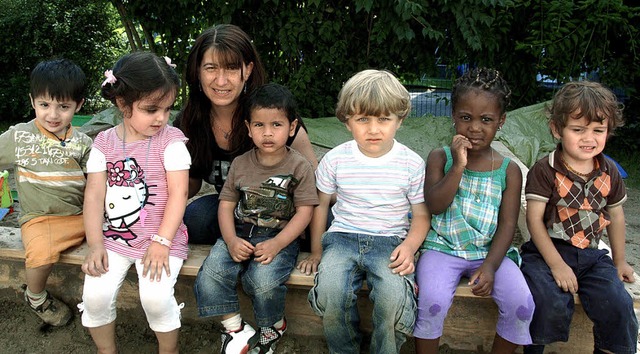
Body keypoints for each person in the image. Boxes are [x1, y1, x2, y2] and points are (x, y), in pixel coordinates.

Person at [306, 69, 429, 353]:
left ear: (399, 120)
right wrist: (316, 250)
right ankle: (345, 348)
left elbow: (421, 215)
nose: (373, 129)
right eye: (363, 119)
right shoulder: (335, 160)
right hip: (342, 238)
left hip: (391, 242)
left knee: (392, 298)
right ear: (347, 121)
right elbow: (320, 204)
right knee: (330, 292)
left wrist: (410, 247)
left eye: (384, 119)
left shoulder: (410, 163)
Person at [413, 68, 533, 354]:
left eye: (486, 120)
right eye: (466, 118)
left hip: (489, 252)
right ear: (453, 115)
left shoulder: (509, 170)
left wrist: (490, 266)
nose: (475, 128)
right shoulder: (440, 157)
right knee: (432, 302)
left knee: (522, 304)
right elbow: (435, 205)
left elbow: (507, 225)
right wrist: (458, 166)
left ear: (501, 121)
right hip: (442, 248)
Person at [194, 83, 319, 354]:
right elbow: (226, 205)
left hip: (279, 237)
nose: (268, 133)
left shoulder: (299, 166)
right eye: (259, 126)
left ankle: (273, 325)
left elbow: (305, 211)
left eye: (276, 125)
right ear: (248, 129)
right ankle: (235, 329)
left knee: (261, 281)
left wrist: (279, 244)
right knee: (211, 274)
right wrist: (229, 240)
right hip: (240, 230)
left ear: (292, 127)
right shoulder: (240, 163)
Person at [80, 51, 190, 354]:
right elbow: (93, 196)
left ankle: (169, 351)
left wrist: (162, 241)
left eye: (167, 109)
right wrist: (95, 244)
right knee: (95, 296)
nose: (161, 118)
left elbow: (179, 194)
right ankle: (107, 350)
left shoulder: (172, 142)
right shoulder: (103, 143)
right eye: (151, 109)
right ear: (122, 104)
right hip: (114, 240)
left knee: (155, 298)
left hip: (161, 239)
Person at [520, 81, 638, 354]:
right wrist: (557, 265)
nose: (589, 138)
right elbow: (534, 221)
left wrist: (620, 261)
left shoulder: (609, 171)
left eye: (599, 130)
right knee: (547, 301)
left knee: (618, 305)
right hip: (546, 252)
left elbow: (616, 216)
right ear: (556, 129)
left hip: (592, 256)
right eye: (578, 129)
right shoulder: (545, 169)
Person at [175, 24, 317, 245]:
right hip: (232, 209)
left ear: (248, 70)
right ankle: (237, 244)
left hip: (282, 214)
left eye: (231, 68)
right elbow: (188, 184)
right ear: (197, 71)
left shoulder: (269, 116)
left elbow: (315, 184)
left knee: (325, 220)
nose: (221, 81)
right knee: (194, 217)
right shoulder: (189, 122)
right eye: (211, 68)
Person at [0, 59, 91, 326]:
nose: (53, 114)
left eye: (63, 107)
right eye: (44, 105)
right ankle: (36, 296)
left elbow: (97, 183)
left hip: (79, 216)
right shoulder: (20, 136)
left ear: (79, 105)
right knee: (40, 252)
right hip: (40, 218)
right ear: (33, 102)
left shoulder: (84, 143)